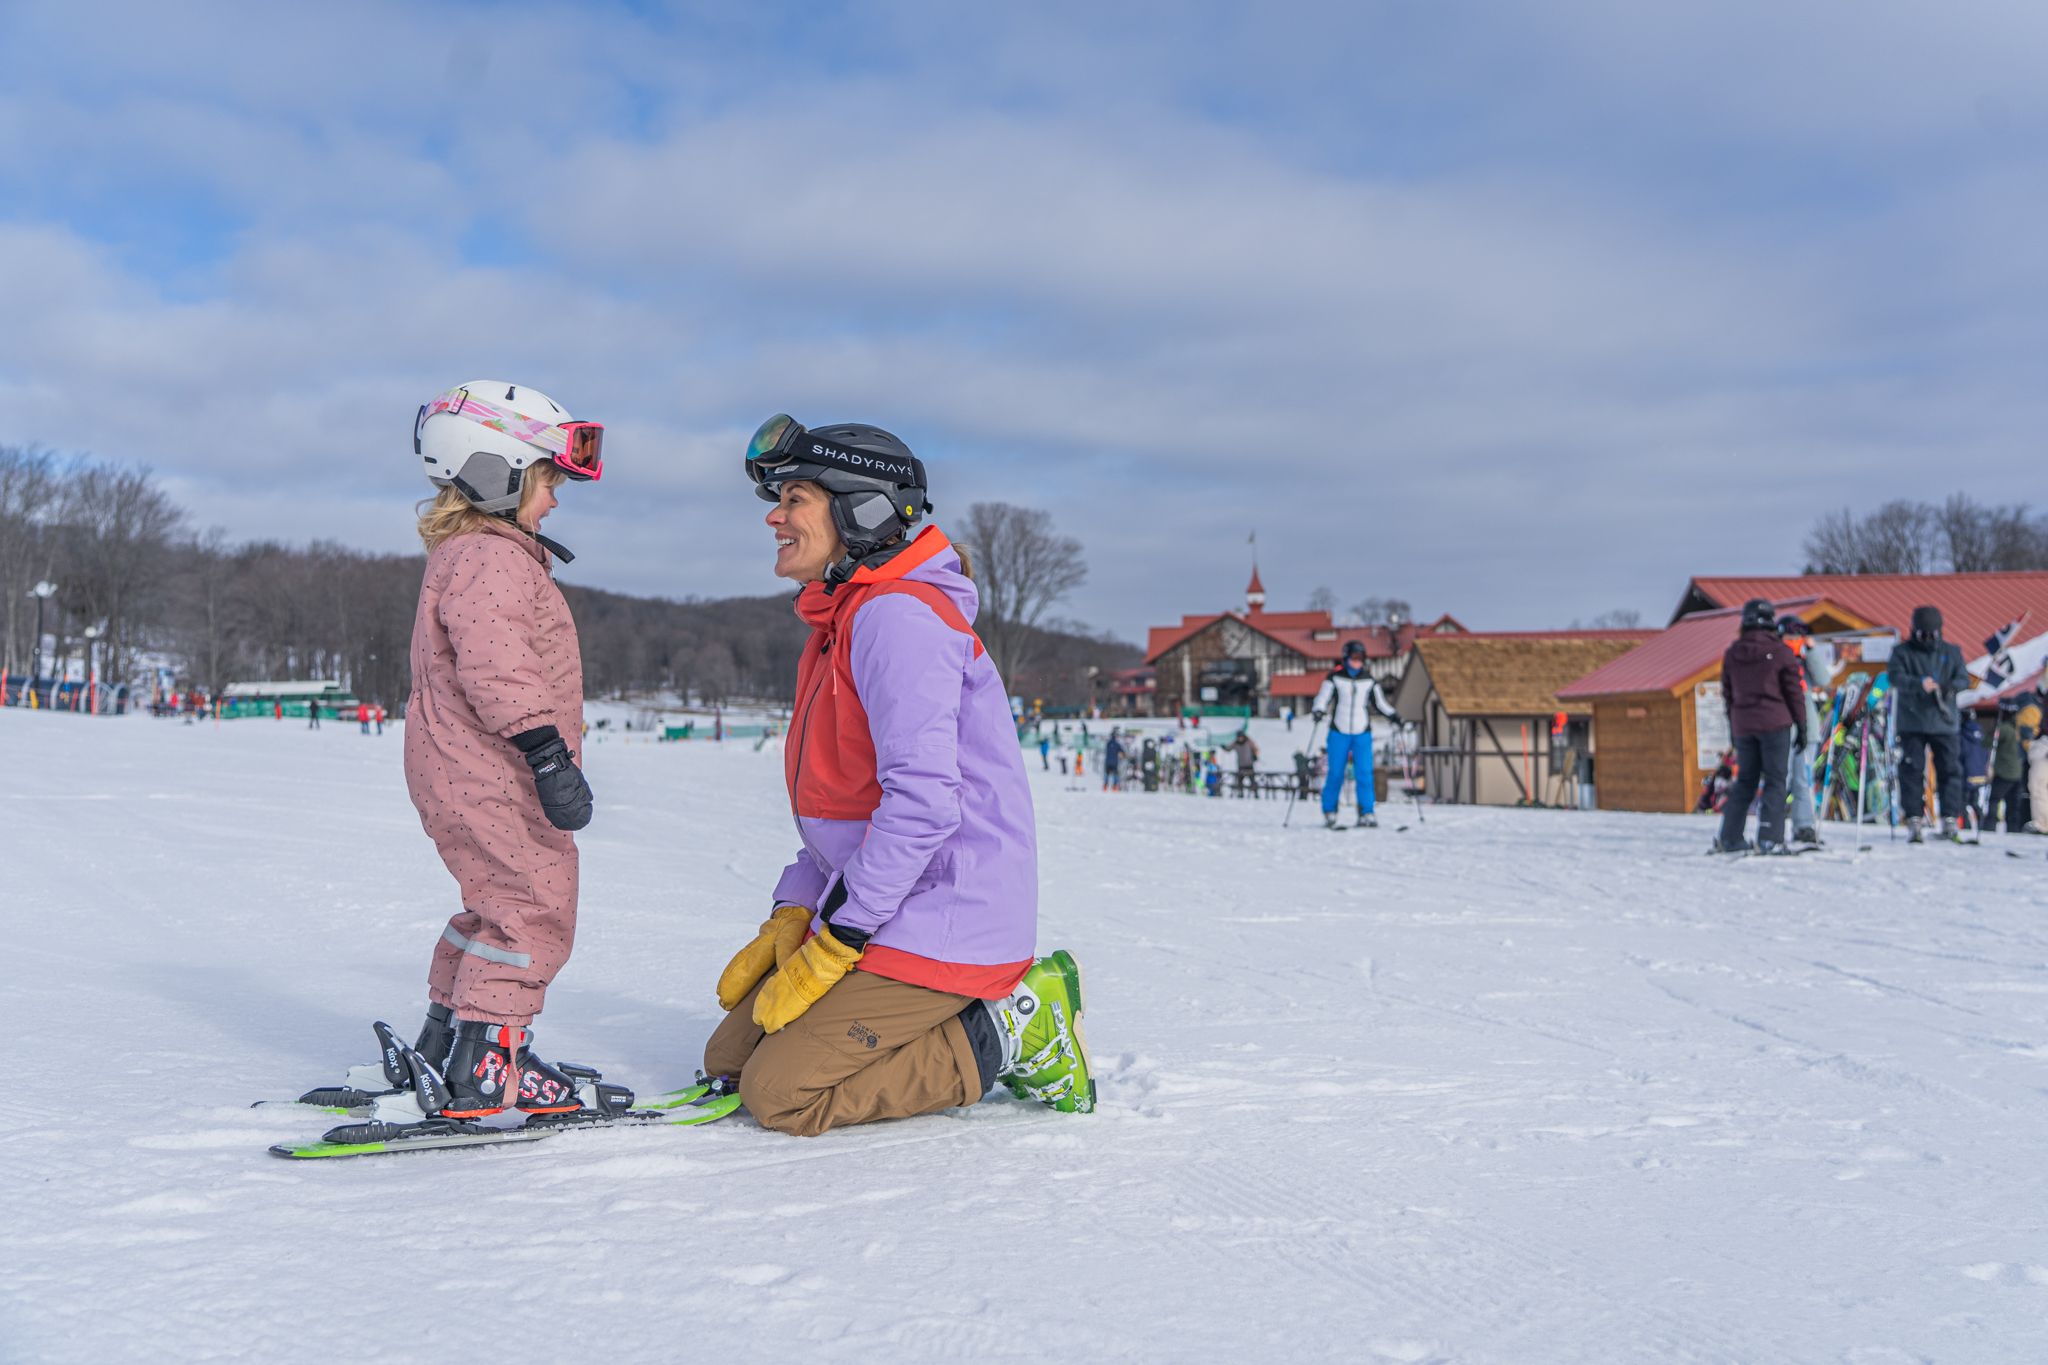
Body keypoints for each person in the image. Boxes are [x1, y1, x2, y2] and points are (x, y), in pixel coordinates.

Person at [703, 412, 1093, 1136]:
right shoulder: (844, 621)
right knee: (728, 1057)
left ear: (859, 507)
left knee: (777, 1093)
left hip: (945, 918)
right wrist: (795, 909)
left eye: (795, 499)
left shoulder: (896, 619)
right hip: (887, 902)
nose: (774, 516)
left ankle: (1010, 1027)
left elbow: (921, 807)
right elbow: (841, 811)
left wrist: (840, 937)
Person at [319, 380, 607, 1130]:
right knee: (534, 913)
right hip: (496, 771)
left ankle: (450, 1038)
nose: (555, 500)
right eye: (548, 481)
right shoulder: (492, 560)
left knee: (493, 907)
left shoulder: (471, 555)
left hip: (460, 768)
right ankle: (488, 1064)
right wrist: (547, 754)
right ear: (498, 472)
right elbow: (498, 666)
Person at [1711, 599, 1805, 854]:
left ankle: (1730, 837)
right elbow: (1793, 692)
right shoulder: (1781, 652)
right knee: (1775, 781)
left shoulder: (1733, 653)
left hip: (1743, 725)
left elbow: (1728, 693)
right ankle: (1770, 838)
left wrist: (1734, 725)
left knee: (1745, 781)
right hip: (1775, 722)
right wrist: (1802, 725)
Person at [1887, 604, 1969, 843]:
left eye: (1931, 634)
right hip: (1911, 722)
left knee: (1950, 770)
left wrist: (1947, 687)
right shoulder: (1902, 652)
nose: (1927, 639)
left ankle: (1950, 817)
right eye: (1923, 634)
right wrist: (1918, 684)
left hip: (1944, 722)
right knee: (1911, 770)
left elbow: (1963, 678)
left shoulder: (1952, 652)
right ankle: (1913, 817)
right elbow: (1894, 677)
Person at [1311, 640, 1398, 829]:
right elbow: (1322, 698)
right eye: (1354, 657)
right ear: (1346, 657)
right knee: (1335, 773)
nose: (1357, 662)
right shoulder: (1334, 678)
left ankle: (1367, 812)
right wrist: (1318, 710)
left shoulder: (1369, 680)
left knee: (1365, 773)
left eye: (1361, 658)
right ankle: (1330, 811)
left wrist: (1393, 715)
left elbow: (1380, 703)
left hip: (1361, 733)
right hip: (1338, 732)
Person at [1778, 615, 1834, 847]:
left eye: (1798, 636)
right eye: (1790, 636)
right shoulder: (1774, 658)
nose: (1795, 640)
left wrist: (1811, 652)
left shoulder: (1804, 659)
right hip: (1781, 726)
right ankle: (1773, 827)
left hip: (1807, 727)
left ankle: (1804, 826)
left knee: (1803, 780)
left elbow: (1823, 679)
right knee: (1780, 779)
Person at [1989, 700, 2028, 833]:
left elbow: (1988, 742)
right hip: (2017, 772)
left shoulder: (2004, 729)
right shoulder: (2017, 728)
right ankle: (2013, 829)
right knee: (2013, 805)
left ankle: (1989, 827)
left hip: (2004, 772)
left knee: (1994, 800)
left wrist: (1993, 729)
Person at [1230, 729, 1259, 796]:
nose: (1240, 738)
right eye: (1239, 737)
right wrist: (1224, 747)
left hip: (1249, 764)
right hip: (1241, 765)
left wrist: (1255, 756)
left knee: (1252, 780)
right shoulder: (1235, 743)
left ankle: (1255, 793)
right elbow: (1229, 748)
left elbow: (1256, 749)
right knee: (1240, 780)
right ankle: (1241, 793)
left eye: (1241, 737)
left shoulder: (1248, 742)